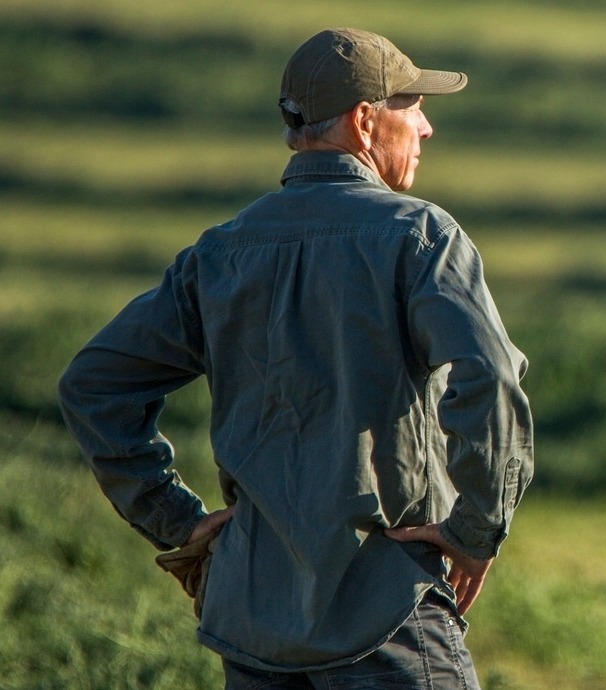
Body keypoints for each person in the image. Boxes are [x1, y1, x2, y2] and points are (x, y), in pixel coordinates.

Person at [57, 27, 534, 687]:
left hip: (253, 627)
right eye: (412, 106)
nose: (425, 128)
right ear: (366, 121)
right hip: (387, 610)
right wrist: (474, 531)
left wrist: (178, 521)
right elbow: (490, 376)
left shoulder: (222, 251)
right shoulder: (420, 236)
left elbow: (93, 385)